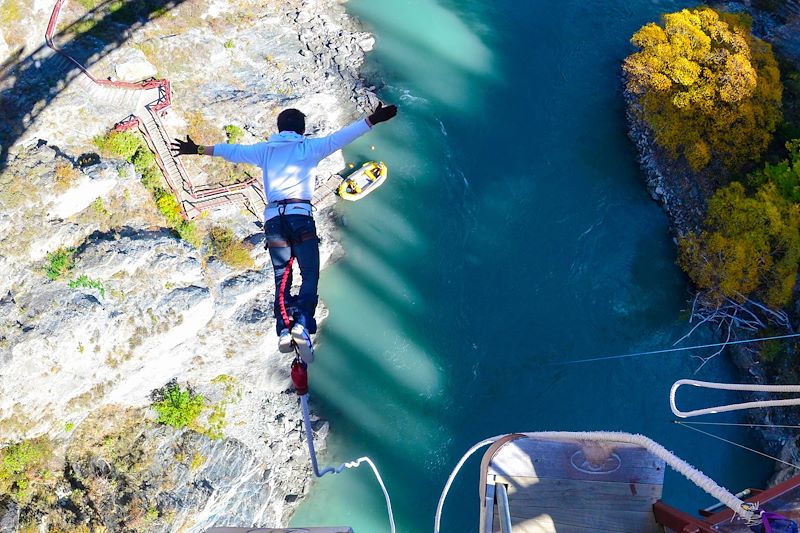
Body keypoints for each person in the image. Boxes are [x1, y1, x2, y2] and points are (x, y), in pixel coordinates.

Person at [170, 102, 398, 363]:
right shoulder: (310, 147)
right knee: (309, 274)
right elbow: (344, 136)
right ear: (302, 131)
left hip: (273, 221)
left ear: (279, 129)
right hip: (300, 216)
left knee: (282, 277)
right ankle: (301, 322)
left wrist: (195, 149)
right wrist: (373, 119)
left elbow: (229, 151)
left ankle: (283, 330)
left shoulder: (265, 151)